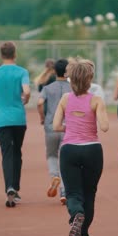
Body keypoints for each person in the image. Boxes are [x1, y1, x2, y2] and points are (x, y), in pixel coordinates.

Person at [53, 57, 109, 236]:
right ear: (90, 79)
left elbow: (55, 126)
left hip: (69, 149)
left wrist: (71, 126)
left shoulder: (65, 99)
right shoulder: (97, 100)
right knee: (89, 193)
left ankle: (76, 213)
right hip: (92, 149)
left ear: (71, 79)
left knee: (73, 193)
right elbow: (105, 126)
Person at [0, 41, 31, 208]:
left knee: (7, 154)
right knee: (17, 152)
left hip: (2, 119)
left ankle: (9, 187)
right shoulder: (22, 72)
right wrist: (24, 99)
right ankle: (16, 188)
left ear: (1, 54)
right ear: (15, 54)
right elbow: (26, 91)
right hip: (19, 118)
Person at [37, 58, 72, 205]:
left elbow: (39, 102)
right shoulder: (73, 88)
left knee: (51, 155)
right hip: (67, 127)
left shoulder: (48, 88)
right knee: (65, 159)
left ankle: (54, 176)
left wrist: (42, 117)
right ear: (67, 71)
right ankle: (64, 191)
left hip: (50, 126)